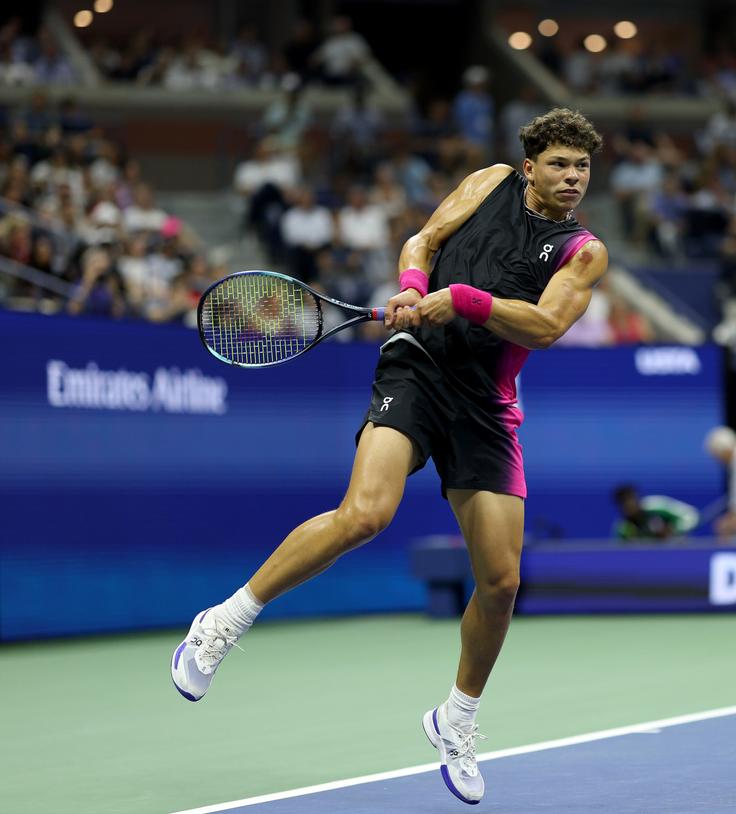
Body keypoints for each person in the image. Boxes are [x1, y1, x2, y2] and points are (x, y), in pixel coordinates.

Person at [170, 109, 608, 806]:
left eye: (581, 168)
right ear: (529, 168)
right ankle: (224, 620)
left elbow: (549, 325)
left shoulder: (582, 250)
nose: (572, 178)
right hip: (416, 369)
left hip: (486, 406)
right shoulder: (490, 182)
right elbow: (424, 238)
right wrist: (411, 285)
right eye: (559, 165)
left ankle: (455, 720)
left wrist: (460, 300)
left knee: (500, 584)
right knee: (366, 514)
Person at [611, 484, 698, 541]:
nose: (631, 506)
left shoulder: (656, 507)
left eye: (632, 499)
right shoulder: (623, 528)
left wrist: (673, 530)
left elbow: (691, 515)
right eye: (625, 503)